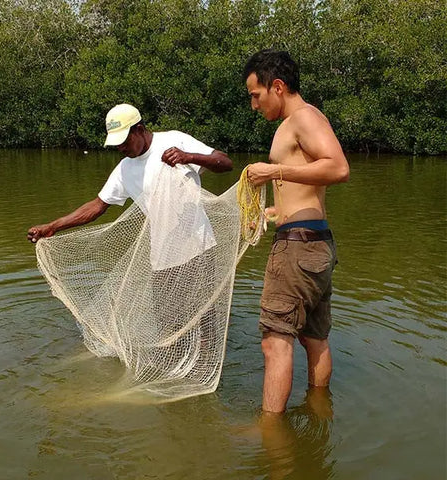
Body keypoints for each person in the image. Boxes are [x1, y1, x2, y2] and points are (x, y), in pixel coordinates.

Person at [244, 49, 349, 413]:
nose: (254, 105)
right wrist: (275, 211)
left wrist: (274, 172)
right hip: (315, 241)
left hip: (298, 251)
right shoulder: (305, 120)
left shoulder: (302, 118)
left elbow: (337, 168)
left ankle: (270, 435)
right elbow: (309, 187)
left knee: (276, 341)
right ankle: (320, 414)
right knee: (314, 338)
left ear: (277, 86)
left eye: (256, 96)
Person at [27, 103, 232, 244]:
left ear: (140, 129)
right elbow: (96, 207)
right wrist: (53, 226)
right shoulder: (125, 169)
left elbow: (225, 163)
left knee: (204, 310)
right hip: (162, 257)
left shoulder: (174, 141)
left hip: (199, 246)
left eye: (125, 141)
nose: (121, 148)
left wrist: (189, 157)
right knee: (164, 310)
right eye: (117, 144)